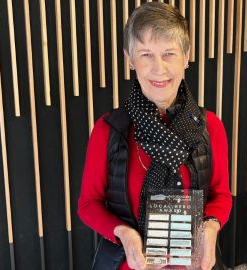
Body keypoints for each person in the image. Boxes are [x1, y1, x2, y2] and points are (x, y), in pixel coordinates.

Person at [78, 2, 232, 270]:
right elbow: (88, 204)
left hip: (195, 263)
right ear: (129, 59)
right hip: (131, 263)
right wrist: (124, 235)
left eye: (169, 53)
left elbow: (221, 195)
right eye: (146, 54)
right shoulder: (109, 129)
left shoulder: (210, 127)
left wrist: (211, 226)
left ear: (186, 56)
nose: (159, 68)